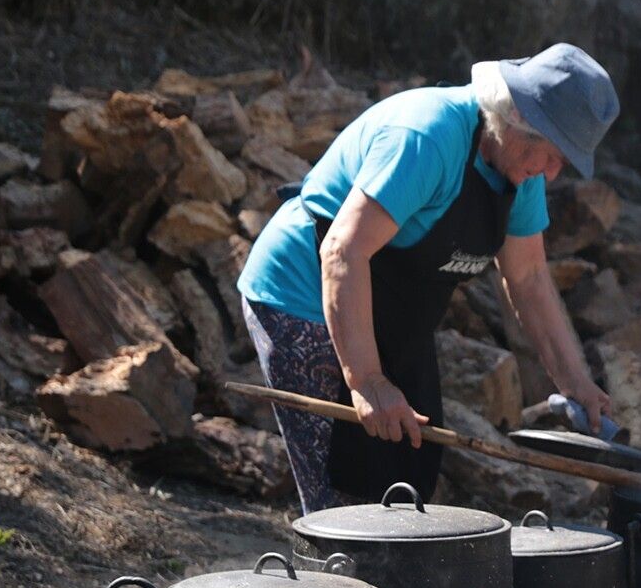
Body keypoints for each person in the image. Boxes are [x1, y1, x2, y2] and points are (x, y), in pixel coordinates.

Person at [238, 46, 619, 513]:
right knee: (344, 503)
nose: (554, 172)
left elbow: (530, 278)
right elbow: (343, 250)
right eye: (553, 153)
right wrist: (367, 382)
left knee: (407, 481)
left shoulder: (520, 163)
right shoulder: (427, 137)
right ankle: (341, 581)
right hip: (304, 295)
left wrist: (575, 382)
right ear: (517, 116)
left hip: (392, 314)